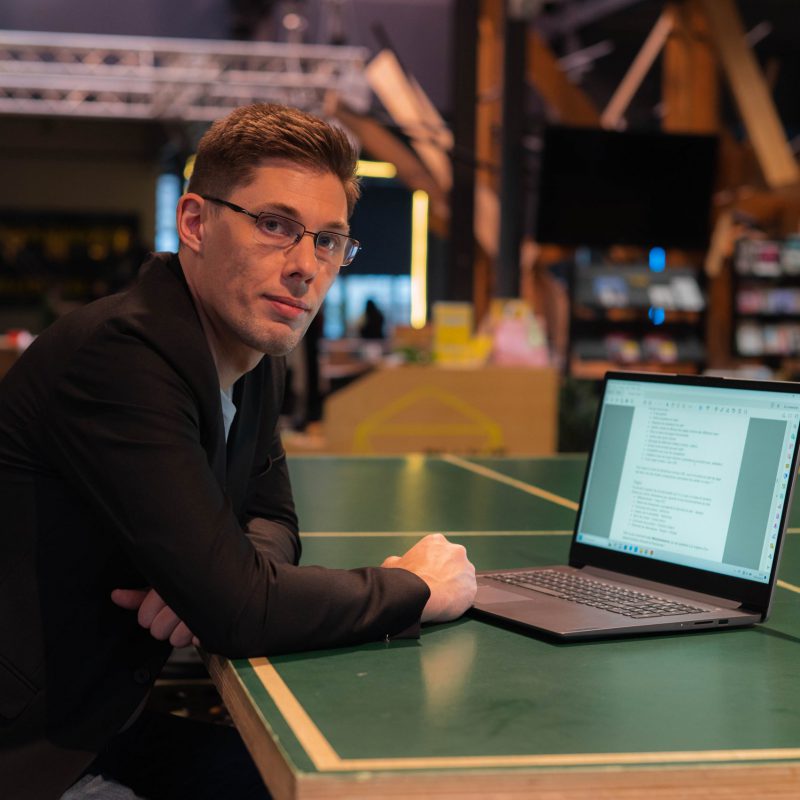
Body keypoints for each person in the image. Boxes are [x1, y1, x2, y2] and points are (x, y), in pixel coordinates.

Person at [0, 103, 476, 800]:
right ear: (194, 222)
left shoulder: (253, 349)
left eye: (329, 241)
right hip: (39, 753)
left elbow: (274, 520)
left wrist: (207, 582)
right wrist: (417, 588)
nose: (305, 268)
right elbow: (241, 608)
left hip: (107, 718)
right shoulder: (122, 356)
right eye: (276, 226)